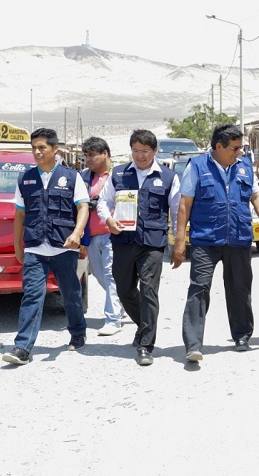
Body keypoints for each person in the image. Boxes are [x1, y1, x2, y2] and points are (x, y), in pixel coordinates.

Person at [173, 124, 259, 362]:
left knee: (240, 288)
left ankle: (242, 336)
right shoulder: (197, 166)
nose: (239, 152)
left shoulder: (244, 167)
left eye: (240, 148)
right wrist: (179, 241)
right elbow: (184, 204)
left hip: (238, 237)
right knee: (199, 289)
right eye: (234, 148)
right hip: (206, 238)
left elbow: (256, 195)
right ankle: (194, 344)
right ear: (218, 146)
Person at [2, 128, 89, 366]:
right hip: (35, 247)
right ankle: (22, 348)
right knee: (32, 295)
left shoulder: (72, 177)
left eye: (42, 147)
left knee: (70, 294)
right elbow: (19, 215)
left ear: (55, 149)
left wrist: (76, 234)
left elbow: (83, 207)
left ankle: (78, 331)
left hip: (63, 247)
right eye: (34, 148)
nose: (37, 152)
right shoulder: (26, 178)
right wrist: (17, 246)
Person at [96, 129, 181, 366]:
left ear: (154, 151)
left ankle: (146, 345)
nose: (140, 156)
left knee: (149, 291)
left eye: (145, 151)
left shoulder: (168, 177)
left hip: (153, 243)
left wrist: (178, 242)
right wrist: (108, 220)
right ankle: (144, 324)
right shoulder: (119, 173)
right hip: (123, 240)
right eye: (135, 151)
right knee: (124, 291)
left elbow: (176, 211)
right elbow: (103, 201)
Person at [81, 136, 125, 336]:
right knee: (100, 277)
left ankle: (113, 319)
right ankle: (127, 303)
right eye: (85, 156)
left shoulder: (120, 175)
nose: (87, 160)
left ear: (105, 153)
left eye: (92, 155)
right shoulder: (82, 177)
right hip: (91, 236)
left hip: (112, 235)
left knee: (110, 275)